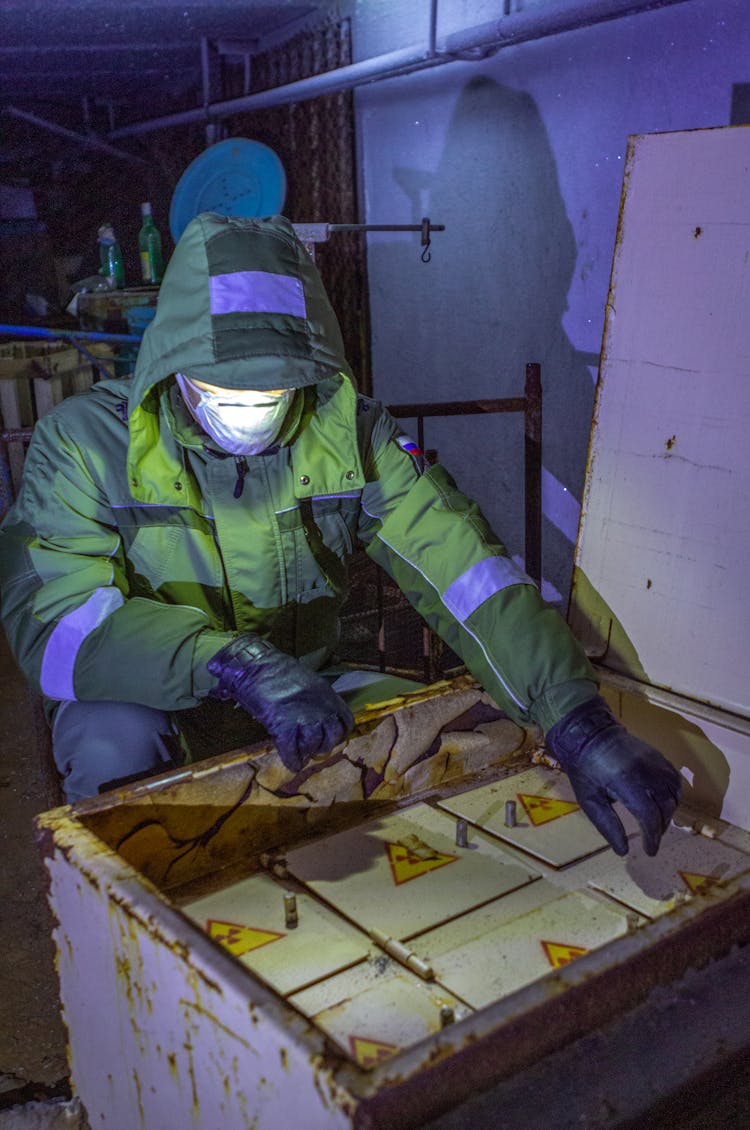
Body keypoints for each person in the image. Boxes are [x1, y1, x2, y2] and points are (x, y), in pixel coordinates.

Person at [0, 212, 680, 855]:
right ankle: (130, 910)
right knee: (108, 741)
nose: (250, 408)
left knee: (463, 729)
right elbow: (58, 624)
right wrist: (231, 663)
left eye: (273, 389)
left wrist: (576, 720)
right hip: (163, 701)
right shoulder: (85, 444)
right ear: (172, 363)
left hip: (308, 690)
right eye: (224, 386)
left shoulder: (347, 431)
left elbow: (461, 567)